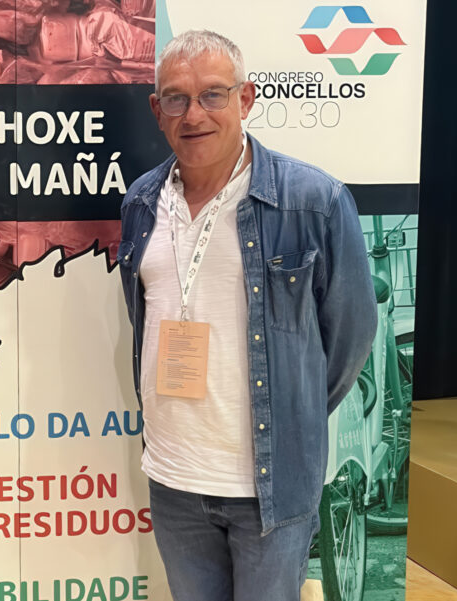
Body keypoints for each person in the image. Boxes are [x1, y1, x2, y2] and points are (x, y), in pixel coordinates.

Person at [117, 30, 376, 601]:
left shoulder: (314, 201)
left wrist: (293, 413)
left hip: (271, 484)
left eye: (213, 94)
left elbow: (351, 337)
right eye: (177, 98)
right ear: (157, 110)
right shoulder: (141, 202)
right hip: (174, 478)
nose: (194, 114)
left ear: (246, 99)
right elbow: (144, 319)